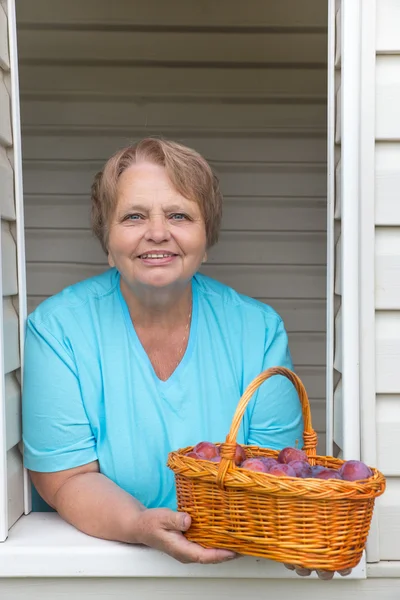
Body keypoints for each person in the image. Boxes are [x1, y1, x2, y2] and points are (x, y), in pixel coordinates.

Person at [22, 138, 346, 579]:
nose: (157, 232)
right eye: (134, 216)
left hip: (234, 576)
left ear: (206, 237)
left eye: (179, 215)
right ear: (107, 239)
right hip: (100, 574)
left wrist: (297, 534)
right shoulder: (58, 328)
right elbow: (65, 478)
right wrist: (139, 526)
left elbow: (271, 475)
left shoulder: (257, 330)